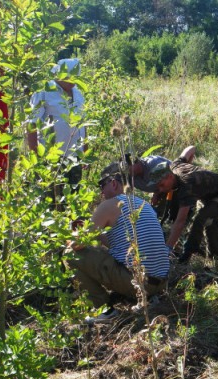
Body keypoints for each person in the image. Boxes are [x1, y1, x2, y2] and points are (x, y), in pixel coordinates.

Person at [66, 163, 171, 322]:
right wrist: (95, 233)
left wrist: (70, 234)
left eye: (102, 185)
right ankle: (149, 298)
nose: (101, 192)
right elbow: (120, 245)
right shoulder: (141, 203)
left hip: (139, 282)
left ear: (113, 183)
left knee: (70, 254)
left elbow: (76, 245)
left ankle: (103, 310)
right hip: (159, 283)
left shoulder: (109, 204)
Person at [145, 146, 218, 263]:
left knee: (200, 219)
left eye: (162, 185)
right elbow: (190, 149)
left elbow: (180, 221)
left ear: (170, 176)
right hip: (207, 194)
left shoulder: (186, 185)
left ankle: (187, 254)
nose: (161, 189)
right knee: (210, 221)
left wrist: (167, 249)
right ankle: (216, 256)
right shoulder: (174, 165)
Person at [26, 58, 87, 205]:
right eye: (70, 76)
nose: (73, 80)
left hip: (74, 158)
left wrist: (85, 149)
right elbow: (31, 125)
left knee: (72, 200)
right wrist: (36, 156)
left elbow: (84, 123)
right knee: (50, 200)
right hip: (51, 158)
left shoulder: (78, 94)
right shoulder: (44, 93)